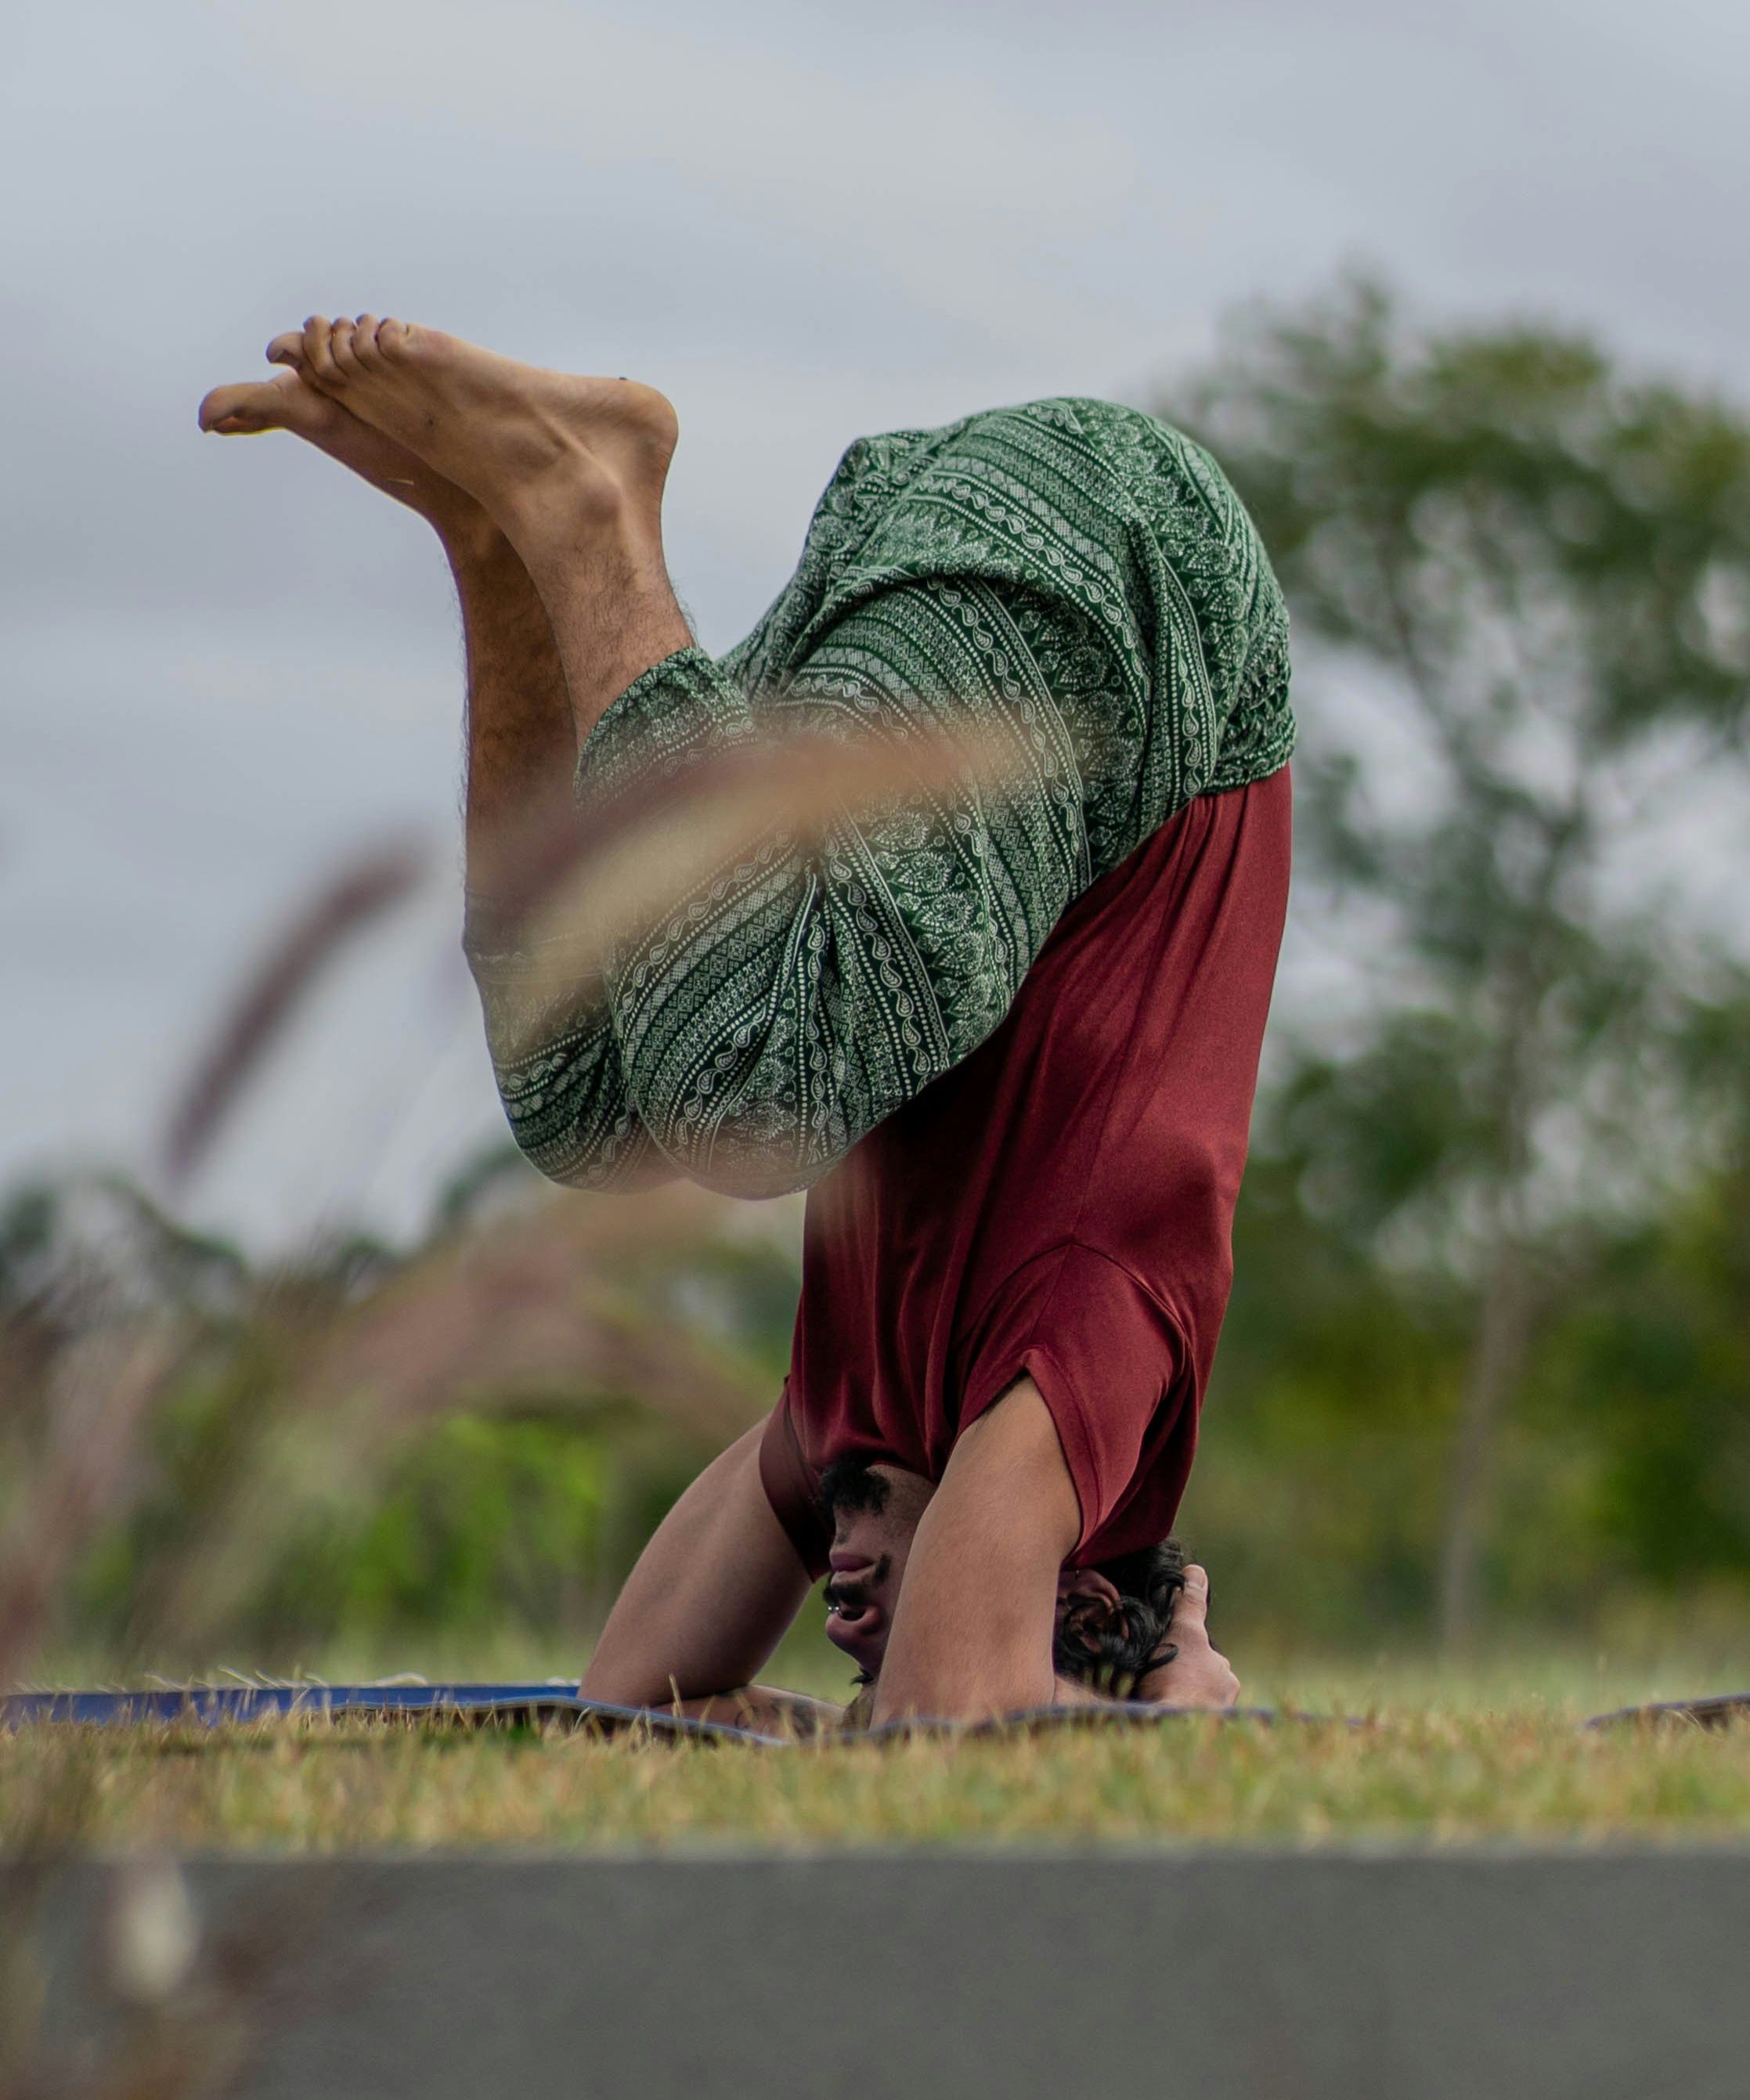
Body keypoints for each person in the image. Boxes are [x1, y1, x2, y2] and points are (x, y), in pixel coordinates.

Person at [199, 316, 1292, 1727]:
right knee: (747, 1084)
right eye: (866, 1647)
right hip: (1142, 598)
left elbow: (623, 1711)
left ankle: (507, 541)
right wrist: (1182, 1720)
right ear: (1070, 1600)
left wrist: (762, 1729)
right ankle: (589, 513)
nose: (837, 1631)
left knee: (588, 1099)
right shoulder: (1092, 1349)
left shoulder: (862, 1410)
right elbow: (953, 1729)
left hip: (991, 579)